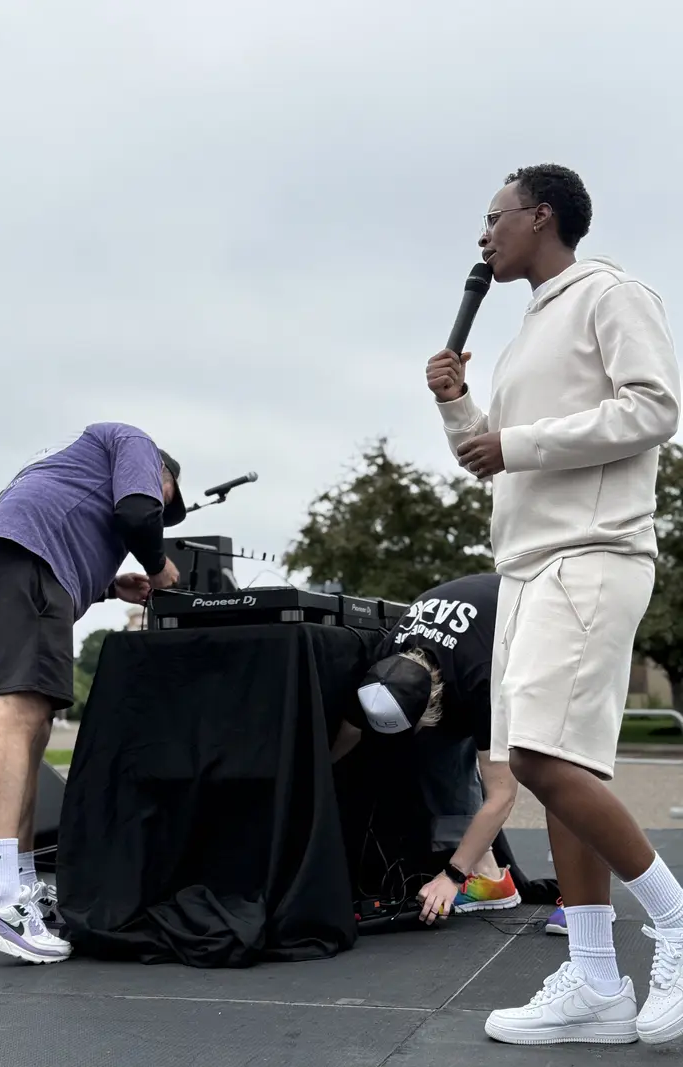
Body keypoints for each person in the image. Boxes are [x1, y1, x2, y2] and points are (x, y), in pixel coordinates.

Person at [427, 164, 683, 1047]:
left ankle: (677, 920)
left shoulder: (608, 293)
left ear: (540, 216)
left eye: (493, 218)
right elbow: (490, 462)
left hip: (593, 552)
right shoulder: (525, 333)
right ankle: (598, 983)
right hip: (528, 565)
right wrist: (460, 406)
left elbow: (655, 408)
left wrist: (518, 439)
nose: (483, 236)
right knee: (556, 767)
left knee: (538, 758)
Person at [0, 422, 185, 964]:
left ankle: (20, 883)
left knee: (25, 725)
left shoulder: (67, 469)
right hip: (28, 561)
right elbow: (136, 514)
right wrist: (158, 565)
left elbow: (73, 523)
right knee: (18, 715)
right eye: (167, 498)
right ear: (163, 475)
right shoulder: (134, 442)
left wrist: (109, 586)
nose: (162, 506)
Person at [332, 571, 522, 924]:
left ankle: (495, 879)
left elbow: (504, 796)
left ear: (437, 704)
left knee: (549, 766)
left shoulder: (482, 681)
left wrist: (452, 877)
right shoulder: (385, 659)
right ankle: (488, 874)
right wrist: (317, 776)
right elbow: (351, 731)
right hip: (467, 631)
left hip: (539, 616)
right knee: (429, 753)